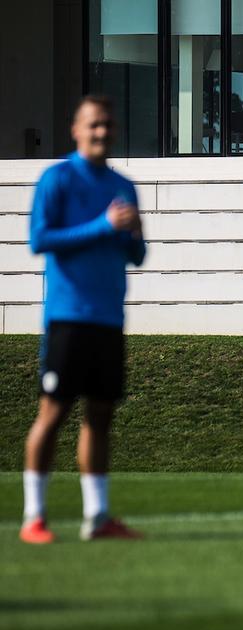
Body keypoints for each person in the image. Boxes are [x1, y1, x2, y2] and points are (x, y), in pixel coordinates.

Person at [20, 95, 146, 545]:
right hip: (68, 317)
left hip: (109, 319)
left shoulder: (124, 186)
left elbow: (138, 254)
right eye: (93, 125)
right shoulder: (56, 179)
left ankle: (98, 517)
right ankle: (34, 516)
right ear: (76, 129)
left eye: (108, 125)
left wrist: (132, 234)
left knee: (100, 416)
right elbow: (39, 239)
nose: (101, 132)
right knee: (52, 415)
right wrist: (103, 226)